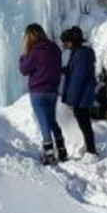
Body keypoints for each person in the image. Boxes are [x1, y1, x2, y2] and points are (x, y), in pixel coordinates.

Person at [19, 23, 68, 165]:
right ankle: (61, 149)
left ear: (30, 37)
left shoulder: (35, 51)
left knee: (44, 122)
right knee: (52, 120)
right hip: (52, 90)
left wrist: (23, 56)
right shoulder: (54, 48)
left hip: (38, 91)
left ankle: (49, 153)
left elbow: (24, 70)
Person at [60, 26, 98, 155]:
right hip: (84, 94)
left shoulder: (80, 54)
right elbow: (75, 71)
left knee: (84, 122)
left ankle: (91, 150)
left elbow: (78, 77)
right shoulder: (80, 53)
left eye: (67, 42)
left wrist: (72, 98)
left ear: (72, 41)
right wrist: (64, 70)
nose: (66, 45)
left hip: (82, 95)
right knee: (84, 121)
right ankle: (90, 148)